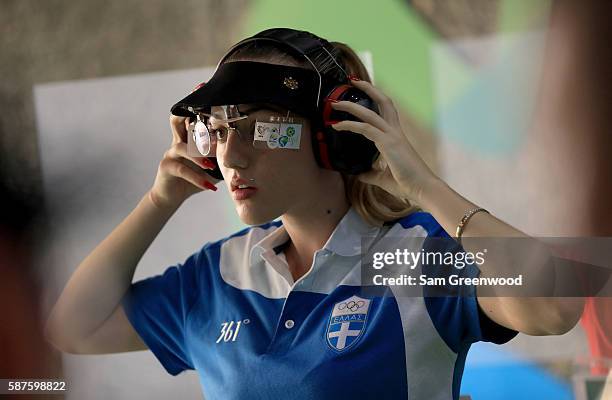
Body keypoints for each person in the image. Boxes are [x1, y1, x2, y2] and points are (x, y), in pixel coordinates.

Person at [44, 28, 585, 400]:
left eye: (257, 125)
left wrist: (425, 188)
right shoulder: (218, 274)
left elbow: (556, 305)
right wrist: (158, 200)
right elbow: (74, 328)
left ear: (333, 136)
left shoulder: (416, 256)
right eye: (219, 129)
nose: (230, 155)